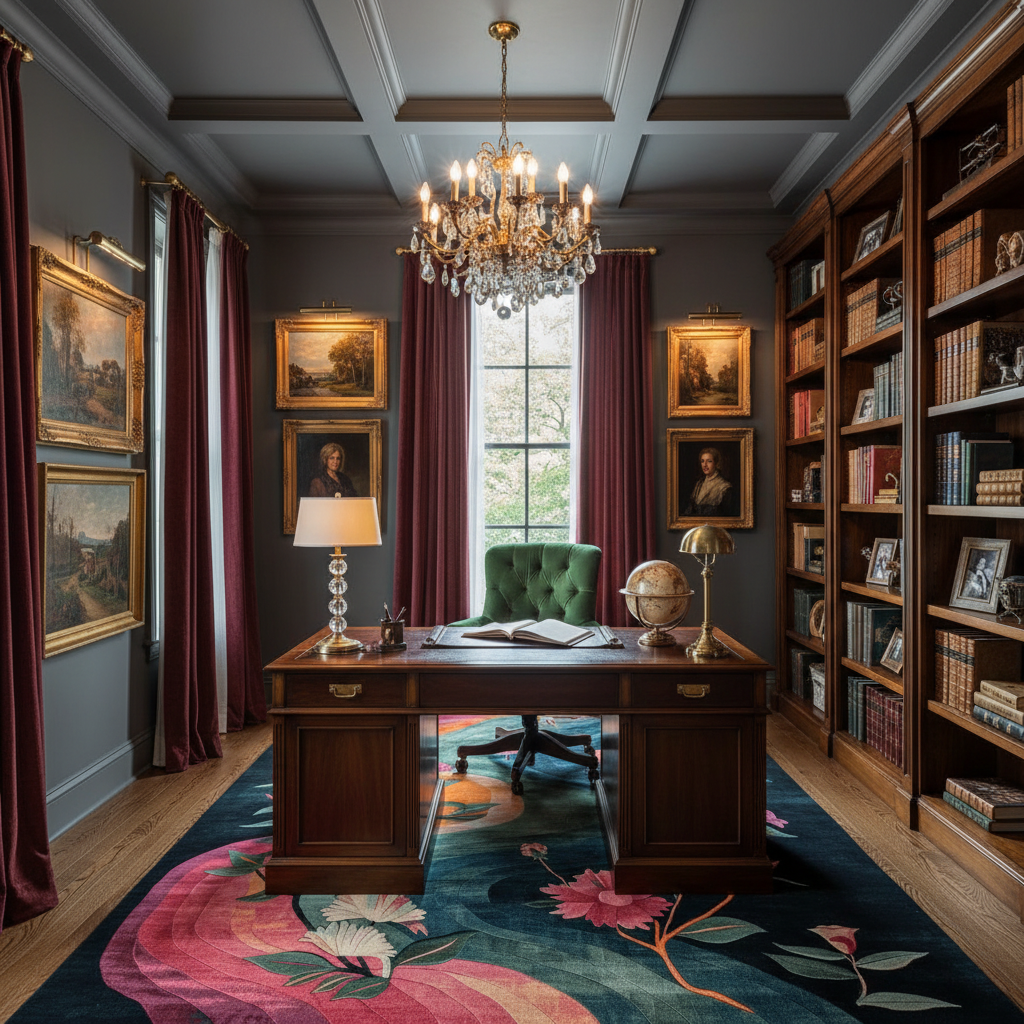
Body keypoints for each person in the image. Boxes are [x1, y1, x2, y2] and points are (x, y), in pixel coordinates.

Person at [684, 446, 737, 517]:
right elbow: (690, 510)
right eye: (702, 461)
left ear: (716, 463)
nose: (705, 465)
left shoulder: (724, 487)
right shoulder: (699, 484)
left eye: (709, 461)